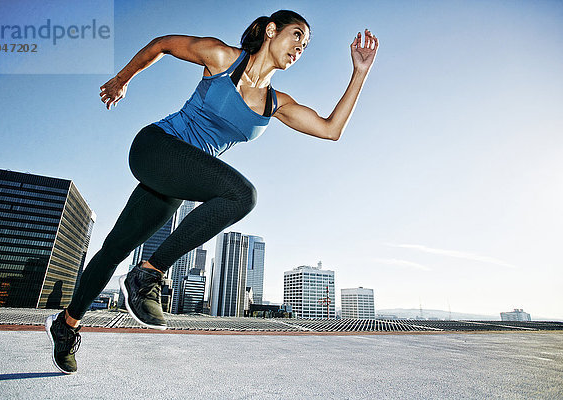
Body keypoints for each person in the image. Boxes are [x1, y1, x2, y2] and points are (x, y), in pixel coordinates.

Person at [46, 9, 378, 374]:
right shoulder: (222, 58)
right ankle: (148, 274)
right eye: (297, 35)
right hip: (156, 147)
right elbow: (163, 45)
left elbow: (331, 129)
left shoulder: (275, 104)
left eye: (306, 45)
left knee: (114, 248)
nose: (300, 47)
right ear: (271, 30)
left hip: (176, 179)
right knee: (242, 195)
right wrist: (122, 79)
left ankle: (67, 325)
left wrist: (359, 73)